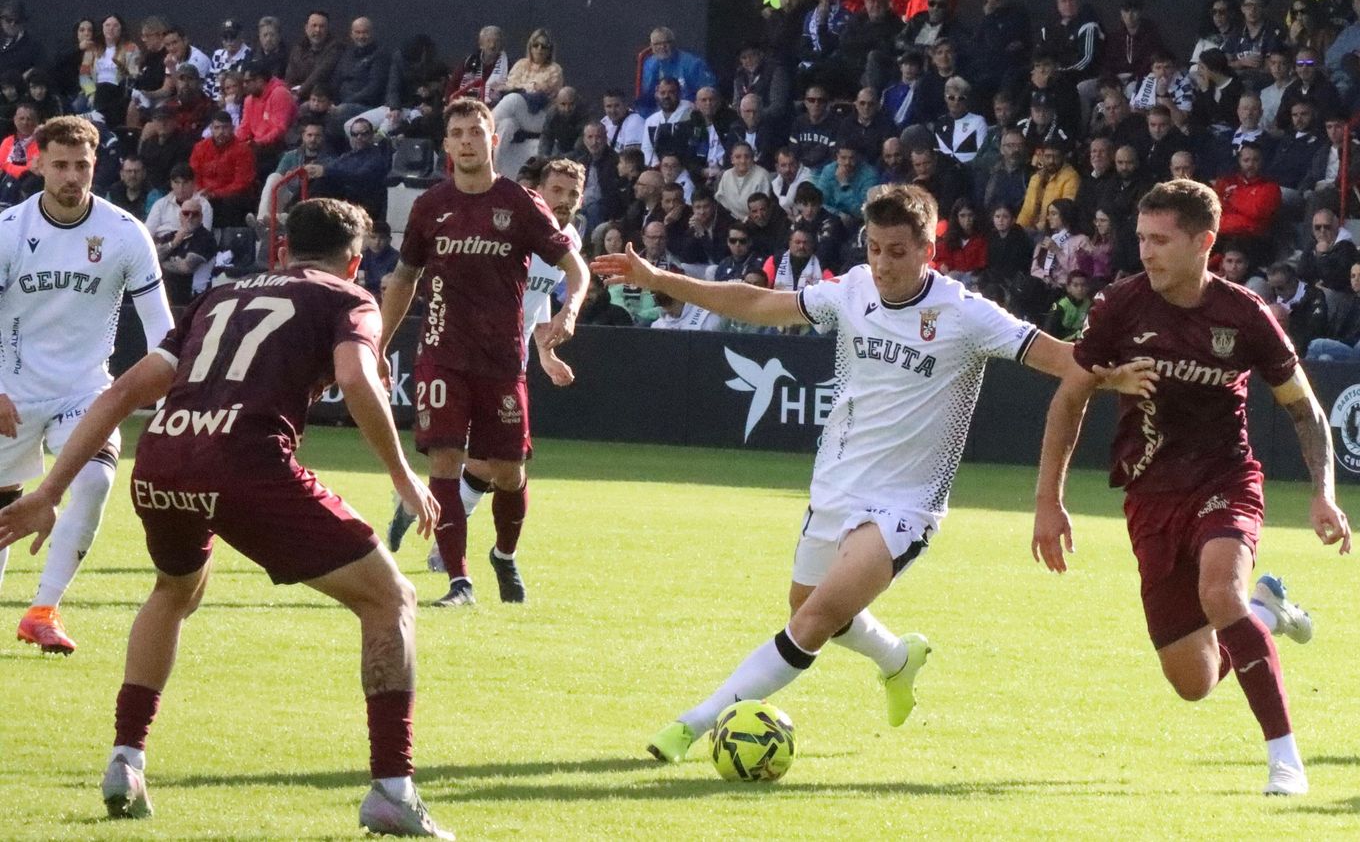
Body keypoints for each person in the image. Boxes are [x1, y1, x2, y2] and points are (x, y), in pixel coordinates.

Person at [590, 183, 1155, 766]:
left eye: (897, 251)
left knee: (811, 622)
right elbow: (760, 304)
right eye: (875, 249)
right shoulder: (852, 290)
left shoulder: (965, 314)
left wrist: (1112, 377)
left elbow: (1061, 359)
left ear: (927, 251)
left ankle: (692, 724)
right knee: (811, 609)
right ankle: (896, 658)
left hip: (905, 505)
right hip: (835, 484)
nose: (883, 264)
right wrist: (661, 279)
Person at [0, 198, 451, 838]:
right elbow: (357, 377)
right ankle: (392, 787)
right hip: (246, 463)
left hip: (162, 461)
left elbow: (123, 392)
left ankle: (126, 758)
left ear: (283, 247)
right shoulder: (347, 298)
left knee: (175, 588)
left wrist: (50, 488)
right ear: (354, 261)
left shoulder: (218, 297)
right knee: (390, 599)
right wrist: (404, 474)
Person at [1033, 178, 1351, 796]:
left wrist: (1324, 491)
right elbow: (1070, 393)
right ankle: (1267, 610)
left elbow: (1304, 410)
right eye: (1141, 239)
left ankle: (1284, 758)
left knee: (1218, 593)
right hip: (1150, 496)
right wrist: (1050, 500)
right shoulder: (1121, 306)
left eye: (1160, 240)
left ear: (1204, 242)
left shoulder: (1244, 315)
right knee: (1193, 682)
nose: (1146, 252)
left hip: (1224, 480)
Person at [378, 100, 588, 608]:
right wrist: (379, 345)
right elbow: (404, 279)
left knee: (508, 472)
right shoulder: (430, 207)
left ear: (494, 140)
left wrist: (571, 309)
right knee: (446, 461)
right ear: (447, 145)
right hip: (441, 353)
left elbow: (575, 267)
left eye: (477, 131)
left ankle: (504, 555)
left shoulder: (520, 204)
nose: (468, 140)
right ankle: (459, 582)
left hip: (502, 361)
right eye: (457, 133)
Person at [0, 117, 169, 655]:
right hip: (13, 390)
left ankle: (44, 611)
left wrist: (177, 394)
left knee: (94, 484)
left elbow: (162, 327)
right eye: (61, 165)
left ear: (97, 165)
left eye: (83, 165)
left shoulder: (124, 233)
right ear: (39, 165)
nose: (73, 176)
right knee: (5, 506)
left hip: (86, 391)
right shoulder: (8, 230)